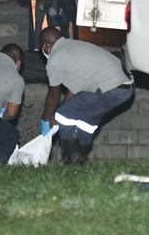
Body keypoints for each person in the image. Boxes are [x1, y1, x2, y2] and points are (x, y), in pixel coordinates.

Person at [38, 26, 133, 164]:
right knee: (85, 122)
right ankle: (80, 158)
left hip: (108, 88)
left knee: (63, 116)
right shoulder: (74, 46)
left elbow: (54, 94)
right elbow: (74, 92)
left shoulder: (55, 58)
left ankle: (71, 161)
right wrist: (58, 114)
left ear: (47, 46)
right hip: (126, 88)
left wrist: (46, 120)